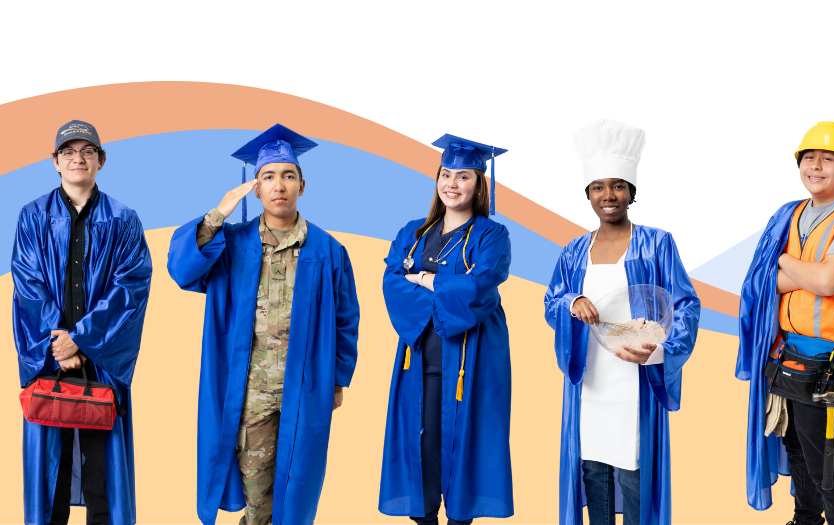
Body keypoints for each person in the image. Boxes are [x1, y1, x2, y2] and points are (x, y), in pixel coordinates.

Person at [166, 124, 360, 525]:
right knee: (258, 500)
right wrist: (216, 215)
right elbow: (183, 270)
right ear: (255, 188)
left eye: (288, 176)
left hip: (305, 389)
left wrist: (339, 379)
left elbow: (346, 320)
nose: (279, 185)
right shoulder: (233, 243)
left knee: (296, 493)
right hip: (249, 391)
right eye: (268, 177)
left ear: (302, 186)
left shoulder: (328, 250)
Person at [545, 119, 700, 525]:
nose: (608, 195)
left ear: (631, 192)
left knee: (633, 469)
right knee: (592, 467)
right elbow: (551, 302)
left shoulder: (656, 243)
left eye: (617, 186)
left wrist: (664, 349)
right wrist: (572, 301)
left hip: (635, 374)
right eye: (598, 187)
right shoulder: (574, 251)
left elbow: (685, 304)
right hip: (590, 378)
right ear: (588, 195)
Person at [736, 122, 834, 525]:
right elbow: (758, 285)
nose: (815, 166)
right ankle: (805, 519)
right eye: (808, 158)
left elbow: (829, 281)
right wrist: (801, 273)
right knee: (796, 448)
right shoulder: (790, 214)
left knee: (827, 464)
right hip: (785, 355)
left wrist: (779, 261)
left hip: (828, 363)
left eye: (828, 158)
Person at [13, 119, 153, 525]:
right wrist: (58, 346)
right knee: (50, 478)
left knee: (101, 479)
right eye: (69, 152)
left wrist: (84, 341)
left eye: (87, 151)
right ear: (55, 162)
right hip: (49, 359)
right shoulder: (33, 216)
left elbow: (132, 286)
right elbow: (27, 285)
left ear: (101, 161)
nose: (78, 158)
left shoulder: (123, 220)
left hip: (101, 363)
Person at [378, 134, 514, 525]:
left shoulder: (492, 235)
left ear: (479, 183)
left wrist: (419, 277)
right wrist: (442, 285)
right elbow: (391, 284)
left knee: (464, 445)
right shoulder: (413, 232)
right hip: (419, 357)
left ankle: (459, 519)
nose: (452, 184)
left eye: (464, 176)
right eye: (446, 174)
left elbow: (479, 289)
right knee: (420, 445)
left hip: (473, 360)